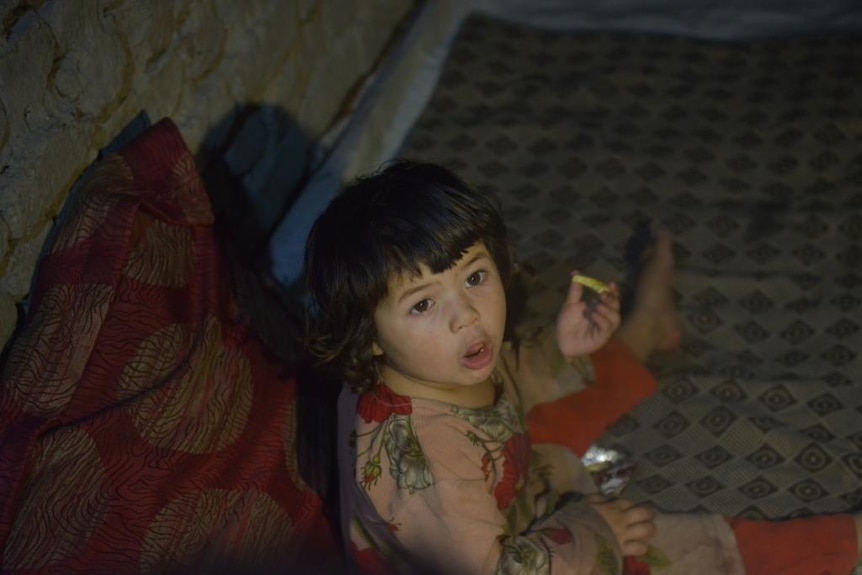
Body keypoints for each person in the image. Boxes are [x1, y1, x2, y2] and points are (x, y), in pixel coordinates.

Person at [303, 160, 861, 574]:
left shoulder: (426, 363)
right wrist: (598, 530)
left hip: (500, 484)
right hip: (502, 553)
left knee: (559, 396)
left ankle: (643, 332)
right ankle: (841, 545)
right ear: (365, 334)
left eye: (474, 277)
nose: (466, 317)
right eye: (423, 304)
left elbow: (505, 387)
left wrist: (561, 347)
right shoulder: (425, 471)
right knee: (677, 548)